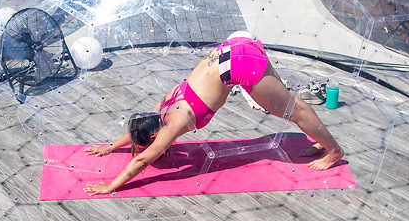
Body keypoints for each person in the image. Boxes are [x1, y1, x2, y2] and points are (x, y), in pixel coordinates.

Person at [83, 36, 345, 196]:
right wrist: (111, 147)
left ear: (154, 137)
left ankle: (334, 151)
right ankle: (321, 140)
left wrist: (110, 186)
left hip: (240, 66)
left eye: (151, 143)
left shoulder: (172, 124)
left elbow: (141, 161)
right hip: (230, 50)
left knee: (294, 111)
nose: (156, 148)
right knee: (293, 106)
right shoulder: (163, 105)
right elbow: (138, 129)